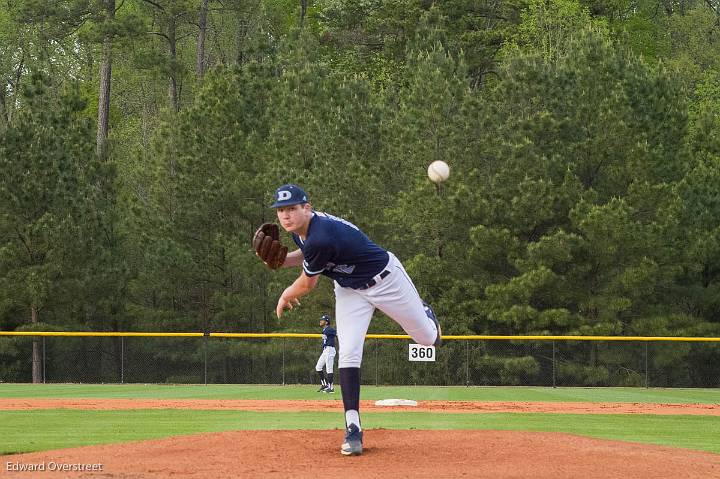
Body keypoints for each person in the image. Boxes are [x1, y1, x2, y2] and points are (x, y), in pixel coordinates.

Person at [253, 183, 441, 456]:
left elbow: (307, 284)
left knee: (427, 338)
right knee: (349, 352)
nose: (285, 216)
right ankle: (353, 427)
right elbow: (308, 257)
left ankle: (425, 312)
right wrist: (283, 262)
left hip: (386, 281)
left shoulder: (320, 236)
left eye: (292, 208)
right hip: (350, 289)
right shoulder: (302, 233)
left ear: (307, 208)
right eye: (281, 210)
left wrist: (285, 294)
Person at [315, 313, 337, 393]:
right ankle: (324, 384)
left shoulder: (330, 329)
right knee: (318, 367)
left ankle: (331, 388)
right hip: (325, 350)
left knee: (329, 369)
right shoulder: (325, 330)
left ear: (326, 322)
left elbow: (337, 333)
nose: (321, 321)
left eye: (323, 320)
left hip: (330, 350)